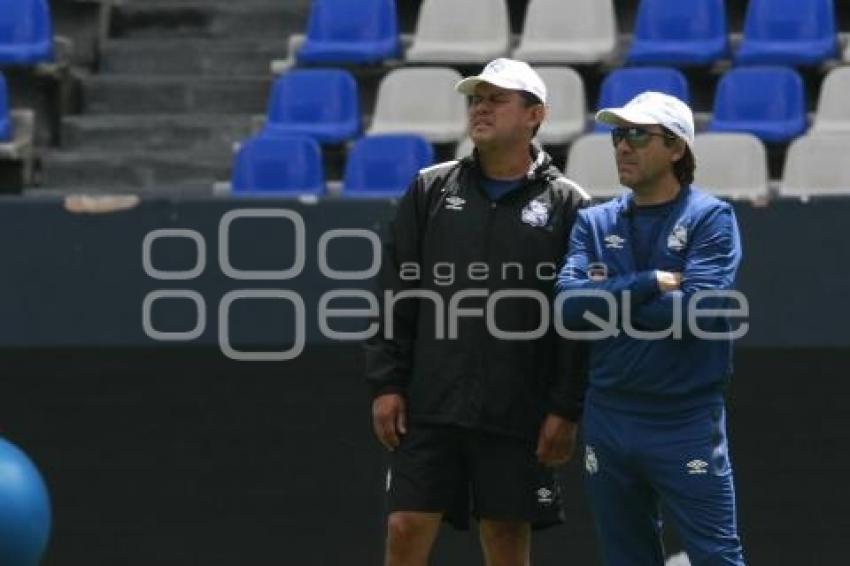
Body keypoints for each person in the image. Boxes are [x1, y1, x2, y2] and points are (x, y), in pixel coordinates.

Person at [364, 58, 589, 566]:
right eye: (476, 98)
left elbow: (577, 319)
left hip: (518, 406)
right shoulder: (430, 188)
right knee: (404, 525)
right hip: (430, 402)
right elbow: (394, 289)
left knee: (507, 537)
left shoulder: (571, 203)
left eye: (496, 99)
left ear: (535, 115)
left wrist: (565, 409)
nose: (481, 108)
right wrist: (386, 384)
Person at [556, 91, 746, 565]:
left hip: (683, 419)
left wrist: (610, 299)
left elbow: (694, 314)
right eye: (619, 134)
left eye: (639, 134)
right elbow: (567, 310)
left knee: (717, 557)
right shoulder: (593, 223)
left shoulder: (711, 218)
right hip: (609, 416)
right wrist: (649, 283)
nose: (623, 145)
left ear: (677, 148)